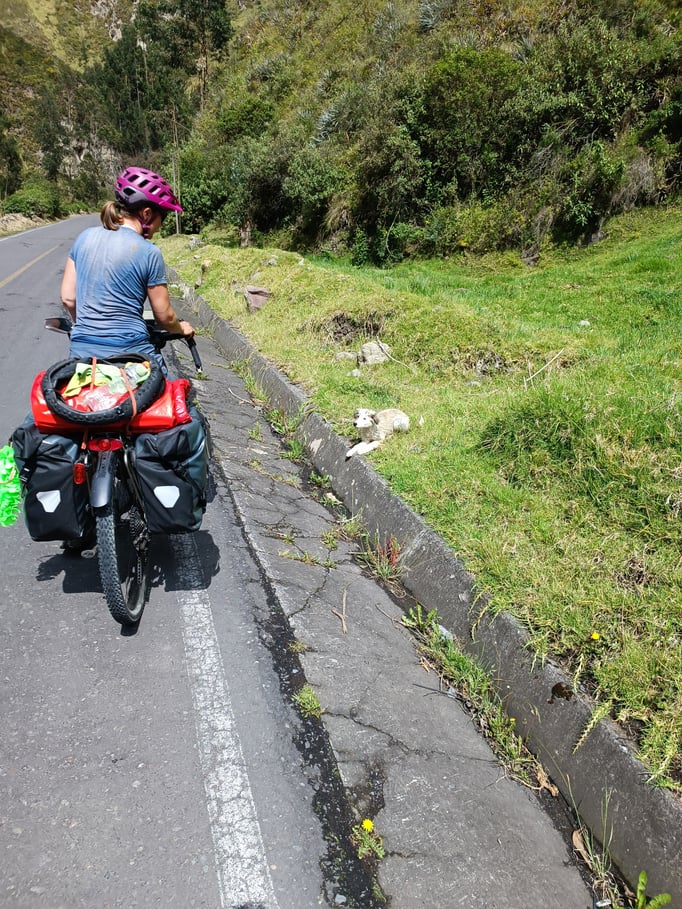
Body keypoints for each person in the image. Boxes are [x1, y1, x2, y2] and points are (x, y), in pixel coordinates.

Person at [60, 166, 195, 373]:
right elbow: (165, 316)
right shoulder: (149, 252)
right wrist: (181, 328)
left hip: (82, 354)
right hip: (132, 354)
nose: (161, 225)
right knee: (176, 399)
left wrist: (91, 329)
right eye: (163, 217)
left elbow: (69, 299)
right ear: (147, 214)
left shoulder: (84, 238)